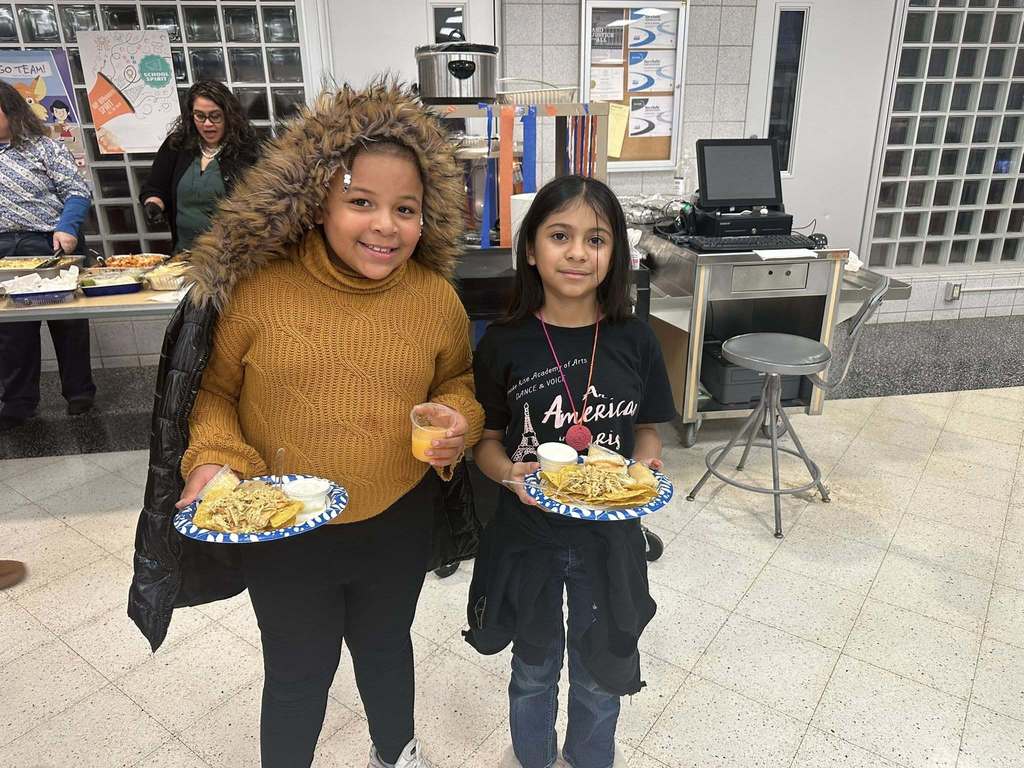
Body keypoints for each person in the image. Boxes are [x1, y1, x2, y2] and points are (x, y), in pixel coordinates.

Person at [128, 81, 483, 768]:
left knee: (387, 648)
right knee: (297, 671)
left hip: (396, 521)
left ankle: (395, 754)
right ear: (318, 200)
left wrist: (456, 420)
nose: (386, 224)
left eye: (405, 209)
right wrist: (214, 457)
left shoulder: (435, 299)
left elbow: (456, 382)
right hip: (286, 532)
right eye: (361, 202)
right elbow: (214, 392)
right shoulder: (258, 290)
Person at [465, 176, 676, 768]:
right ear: (531, 248)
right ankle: (532, 758)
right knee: (533, 670)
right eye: (561, 236)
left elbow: (646, 430)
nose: (579, 252)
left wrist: (645, 465)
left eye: (597, 239)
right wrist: (510, 475)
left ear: (616, 256)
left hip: (610, 538)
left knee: (599, 673)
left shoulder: (635, 339)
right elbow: (484, 441)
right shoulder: (505, 343)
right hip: (528, 538)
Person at [0, 80, 95, 431]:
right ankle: (18, 402)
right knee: (11, 333)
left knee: (68, 323)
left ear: (11, 110)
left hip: (48, 243)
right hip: (3, 252)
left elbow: (77, 190)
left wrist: (68, 227)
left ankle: (79, 393)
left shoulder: (45, 148)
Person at [139, 80, 259, 253]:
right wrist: (154, 204)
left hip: (231, 256)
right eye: (200, 116)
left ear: (228, 115)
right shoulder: (176, 145)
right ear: (191, 115)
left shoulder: (247, 152)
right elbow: (155, 187)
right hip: (184, 253)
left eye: (215, 116)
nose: (207, 124)